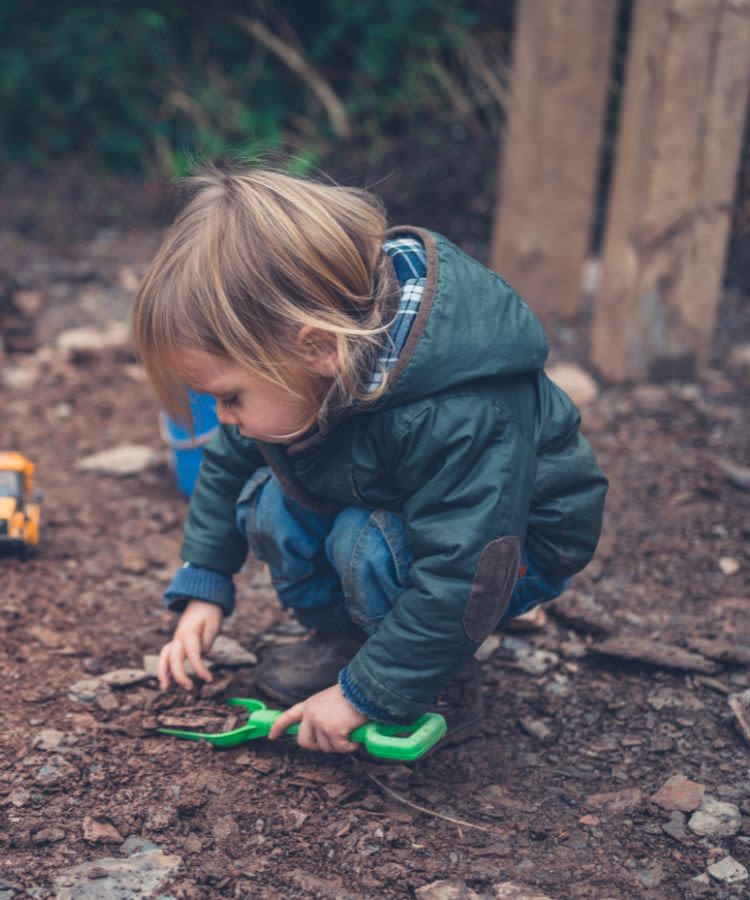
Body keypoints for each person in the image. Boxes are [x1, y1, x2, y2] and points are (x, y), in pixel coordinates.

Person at [133, 165, 608, 755]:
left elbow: (467, 568)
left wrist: (366, 698)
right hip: (406, 505)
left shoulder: (458, 411)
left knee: (367, 543)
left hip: (508, 548)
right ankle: (349, 642)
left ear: (317, 348)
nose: (224, 417)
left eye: (231, 397)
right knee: (272, 501)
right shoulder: (310, 374)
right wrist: (203, 587)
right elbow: (228, 466)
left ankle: (432, 683)